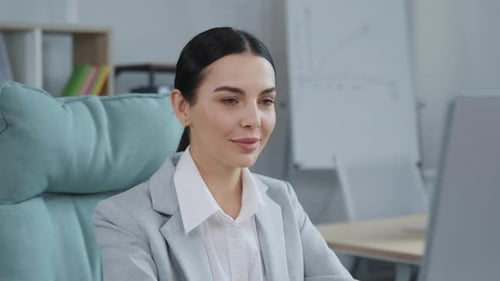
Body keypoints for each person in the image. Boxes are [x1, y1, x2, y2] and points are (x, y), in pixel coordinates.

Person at [93, 27, 356, 281]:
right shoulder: (123, 219)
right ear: (182, 107)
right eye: (230, 100)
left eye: (266, 101)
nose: (254, 120)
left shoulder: (283, 200)